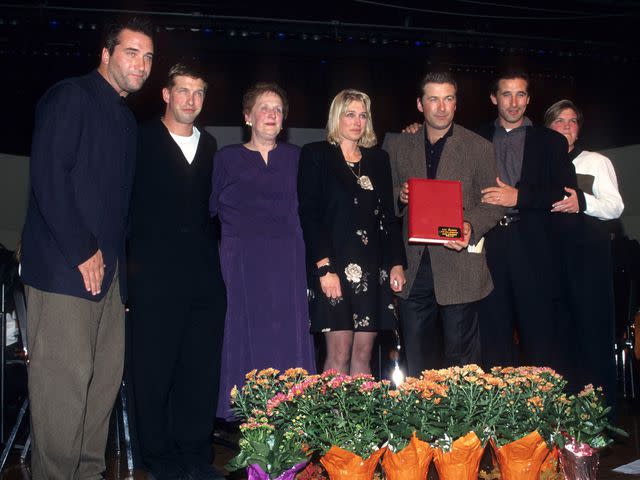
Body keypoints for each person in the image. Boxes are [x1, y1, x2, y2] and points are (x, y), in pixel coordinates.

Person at [19, 18, 154, 479]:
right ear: (106, 53)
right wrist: (81, 251)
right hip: (64, 272)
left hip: (110, 281)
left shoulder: (126, 121)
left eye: (148, 56)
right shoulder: (70, 97)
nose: (141, 63)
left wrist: (123, 278)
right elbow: (48, 177)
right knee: (62, 395)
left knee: (98, 396)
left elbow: (121, 207)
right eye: (132, 52)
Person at [128, 64, 226, 480]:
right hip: (153, 275)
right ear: (166, 94)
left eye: (199, 92)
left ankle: (194, 455)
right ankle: (158, 458)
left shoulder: (212, 146)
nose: (191, 99)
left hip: (204, 276)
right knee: (152, 371)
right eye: (183, 90)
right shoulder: (141, 138)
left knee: (199, 370)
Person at [384, 72, 504, 376]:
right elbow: (382, 203)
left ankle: (465, 424)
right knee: (417, 363)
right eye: (433, 99)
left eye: (448, 98)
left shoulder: (479, 147)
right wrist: (399, 195)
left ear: (456, 104)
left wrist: (470, 226)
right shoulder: (398, 145)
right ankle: (419, 422)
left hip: (460, 265)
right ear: (420, 104)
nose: (441, 107)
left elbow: (492, 202)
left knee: (462, 363)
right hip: (413, 268)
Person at [210, 83, 315, 419]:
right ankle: (247, 415)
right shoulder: (226, 159)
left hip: (289, 262)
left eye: (278, 110)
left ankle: (290, 413)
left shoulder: (299, 159)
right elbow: (205, 210)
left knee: (287, 334)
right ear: (247, 117)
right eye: (264, 108)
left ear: (284, 121)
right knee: (244, 332)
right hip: (242, 264)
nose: (271, 114)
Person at [298, 89, 406, 375]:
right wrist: (324, 269)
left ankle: (363, 421)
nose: (357, 121)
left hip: (372, 271)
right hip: (333, 268)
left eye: (362, 115)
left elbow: (388, 217)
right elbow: (310, 215)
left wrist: (396, 262)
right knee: (339, 354)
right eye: (350, 114)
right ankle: (331, 421)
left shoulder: (378, 159)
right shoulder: (315, 155)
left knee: (363, 355)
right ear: (337, 117)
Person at [477, 70, 578, 370]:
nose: (513, 102)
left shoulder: (551, 142)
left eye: (520, 94)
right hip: (489, 245)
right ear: (494, 98)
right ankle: (498, 412)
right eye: (506, 94)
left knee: (538, 335)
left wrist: (517, 197)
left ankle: (540, 411)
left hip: (533, 247)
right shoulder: (474, 138)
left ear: (528, 98)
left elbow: (563, 193)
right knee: (493, 334)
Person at [544, 99, 623, 400]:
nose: (566, 126)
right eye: (559, 121)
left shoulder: (596, 161)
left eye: (572, 121)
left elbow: (616, 207)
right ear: (547, 128)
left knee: (593, 339)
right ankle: (562, 419)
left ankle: (599, 417)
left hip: (589, 264)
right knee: (559, 343)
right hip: (552, 264)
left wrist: (584, 203)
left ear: (579, 129)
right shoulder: (541, 166)